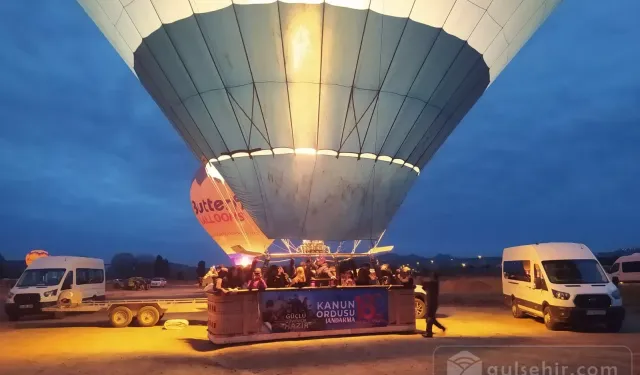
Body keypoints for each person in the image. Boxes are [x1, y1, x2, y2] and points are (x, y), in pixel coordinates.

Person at [422, 271, 446, 338]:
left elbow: (423, 286)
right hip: (433, 302)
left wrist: (421, 279)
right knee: (431, 318)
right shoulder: (434, 283)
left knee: (429, 318)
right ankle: (441, 328)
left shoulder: (432, 283)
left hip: (431, 302)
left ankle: (429, 333)